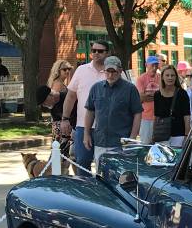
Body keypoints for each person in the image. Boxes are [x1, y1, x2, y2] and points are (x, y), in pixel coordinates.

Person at [60, 40, 109, 173]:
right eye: (94, 51)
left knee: (106, 167)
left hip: (108, 128)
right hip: (83, 127)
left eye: (100, 51)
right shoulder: (81, 70)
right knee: (82, 164)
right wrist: (65, 119)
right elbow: (70, 97)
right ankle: (86, 192)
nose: (96, 53)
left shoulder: (113, 72)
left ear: (107, 53)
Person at [83, 56, 142, 164]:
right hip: (100, 141)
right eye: (108, 71)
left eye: (113, 72)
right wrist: (86, 133)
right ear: (104, 71)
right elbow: (90, 111)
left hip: (121, 142)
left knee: (120, 177)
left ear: (120, 71)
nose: (110, 75)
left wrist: (132, 138)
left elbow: (137, 113)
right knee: (101, 176)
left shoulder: (130, 89)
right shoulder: (96, 88)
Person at [37, 60, 74, 159]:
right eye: (64, 69)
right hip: (60, 123)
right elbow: (54, 102)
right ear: (58, 71)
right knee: (60, 154)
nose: (67, 71)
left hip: (62, 123)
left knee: (62, 154)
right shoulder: (57, 84)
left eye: (69, 69)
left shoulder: (61, 83)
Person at [152, 65, 191, 147]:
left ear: (176, 77)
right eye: (167, 75)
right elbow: (156, 117)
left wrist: (187, 135)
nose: (170, 78)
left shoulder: (182, 93)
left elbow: (187, 116)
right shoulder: (157, 95)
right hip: (162, 136)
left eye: (172, 75)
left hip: (179, 135)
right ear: (162, 77)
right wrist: (154, 134)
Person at [136, 56, 162, 144]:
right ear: (146, 65)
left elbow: (165, 95)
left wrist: (149, 95)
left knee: (159, 144)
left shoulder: (161, 77)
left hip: (160, 116)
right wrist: (157, 96)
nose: (154, 68)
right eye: (152, 65)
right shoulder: (141, 79)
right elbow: (140, 97)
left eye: (156, 65)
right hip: (146, 117)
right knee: (145, 144)